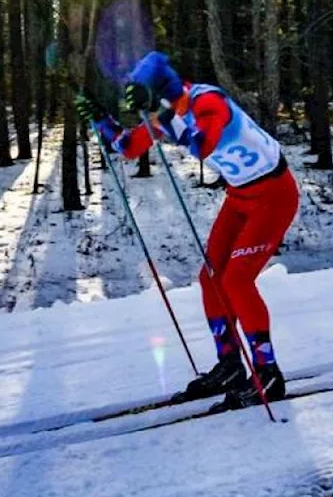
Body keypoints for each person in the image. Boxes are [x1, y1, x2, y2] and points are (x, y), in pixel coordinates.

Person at [76, 51, 300, 409]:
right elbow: (129, 147)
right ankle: (230, 366)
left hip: (274, 195)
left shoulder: (209, 101)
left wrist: (163, 113)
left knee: (237, 281)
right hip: (241, 197)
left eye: (153, 103)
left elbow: (202, 144)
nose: (153, 114)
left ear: (165, 91)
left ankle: (268, 374)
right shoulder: (171, 113)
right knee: (211, 279)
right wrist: (101, 119)